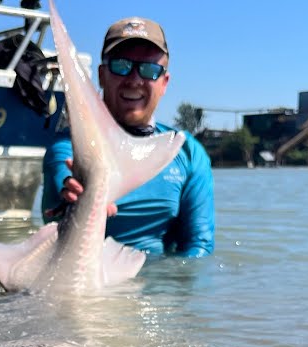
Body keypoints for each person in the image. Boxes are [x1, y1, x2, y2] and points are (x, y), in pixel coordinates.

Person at [40, 16, 215, 258]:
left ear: (164, 83)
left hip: (159, 289)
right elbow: (55, 206)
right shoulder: (69, 147)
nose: (134, 80)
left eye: (150, 70)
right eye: (121, 66)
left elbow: (200, 247)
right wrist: (73, 198)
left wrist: (168, 292)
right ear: (101, 75)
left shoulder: (186, 152)